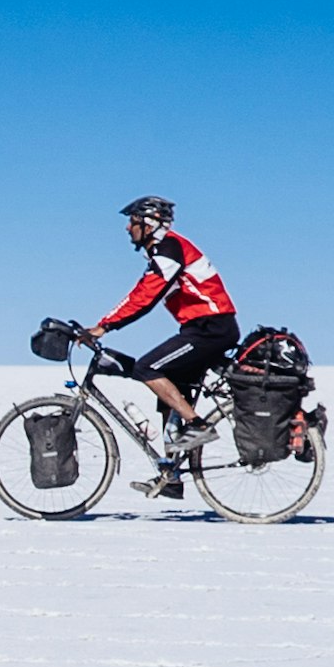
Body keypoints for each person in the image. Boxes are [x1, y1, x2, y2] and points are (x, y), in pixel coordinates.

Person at [95, 196, 239, 495]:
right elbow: (141, 291)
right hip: (201, 327)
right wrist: (106, 322)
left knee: (148, 367)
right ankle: (171, 476)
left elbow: (147, 296)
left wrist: (104, 326)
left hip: (211, 328)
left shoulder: (169, 248)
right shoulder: (162, 252)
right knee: (170, 391)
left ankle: (198, 426)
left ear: (149, 224)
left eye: (132, 222)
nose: (127, 228)